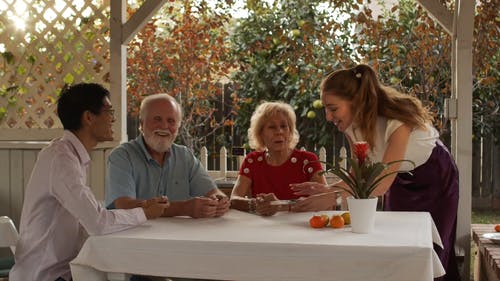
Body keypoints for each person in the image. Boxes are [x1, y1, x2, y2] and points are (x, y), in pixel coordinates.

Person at [291, 64, 460, 281]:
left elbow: (378, 185)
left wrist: (330, 197)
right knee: (397, 245)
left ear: (356, 102)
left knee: (432, 248)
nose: (327, 116)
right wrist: (326, 190)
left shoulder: (396, 122)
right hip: (398, 177)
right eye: (326, 108)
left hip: (435, 176)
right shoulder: (351, 126)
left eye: (333, 109)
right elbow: (358, 176)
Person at [9, 83, 167, 281]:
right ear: (88, 117)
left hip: (64, 271)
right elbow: (97, 223)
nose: (114, 118)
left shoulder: (68, 155)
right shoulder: (61, 159)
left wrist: (141, 208)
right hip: (46, 276)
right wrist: (144, 213)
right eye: (109, 112)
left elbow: (92, 217)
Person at [105, 93, 230, 219]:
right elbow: (123, 205)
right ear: (141, 124)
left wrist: (219, 200)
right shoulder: (122, 156)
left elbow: (211, 191)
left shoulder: (185, 156)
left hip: (181, 236)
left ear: (178, 127)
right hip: (135, 236)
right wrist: (184, 208)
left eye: (171, 121)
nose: (164, 126)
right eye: (157, 119)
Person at [230, 101, 327, 216]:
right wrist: (256, 204)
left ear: (290, 131)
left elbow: (325, 200)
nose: (279, 132)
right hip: (263, 228)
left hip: (302, 228)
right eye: (272, 127)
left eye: (283, 126)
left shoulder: (308, 160)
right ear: (260, 133)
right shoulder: (252, 161)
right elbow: (234, 199)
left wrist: (281, 206)